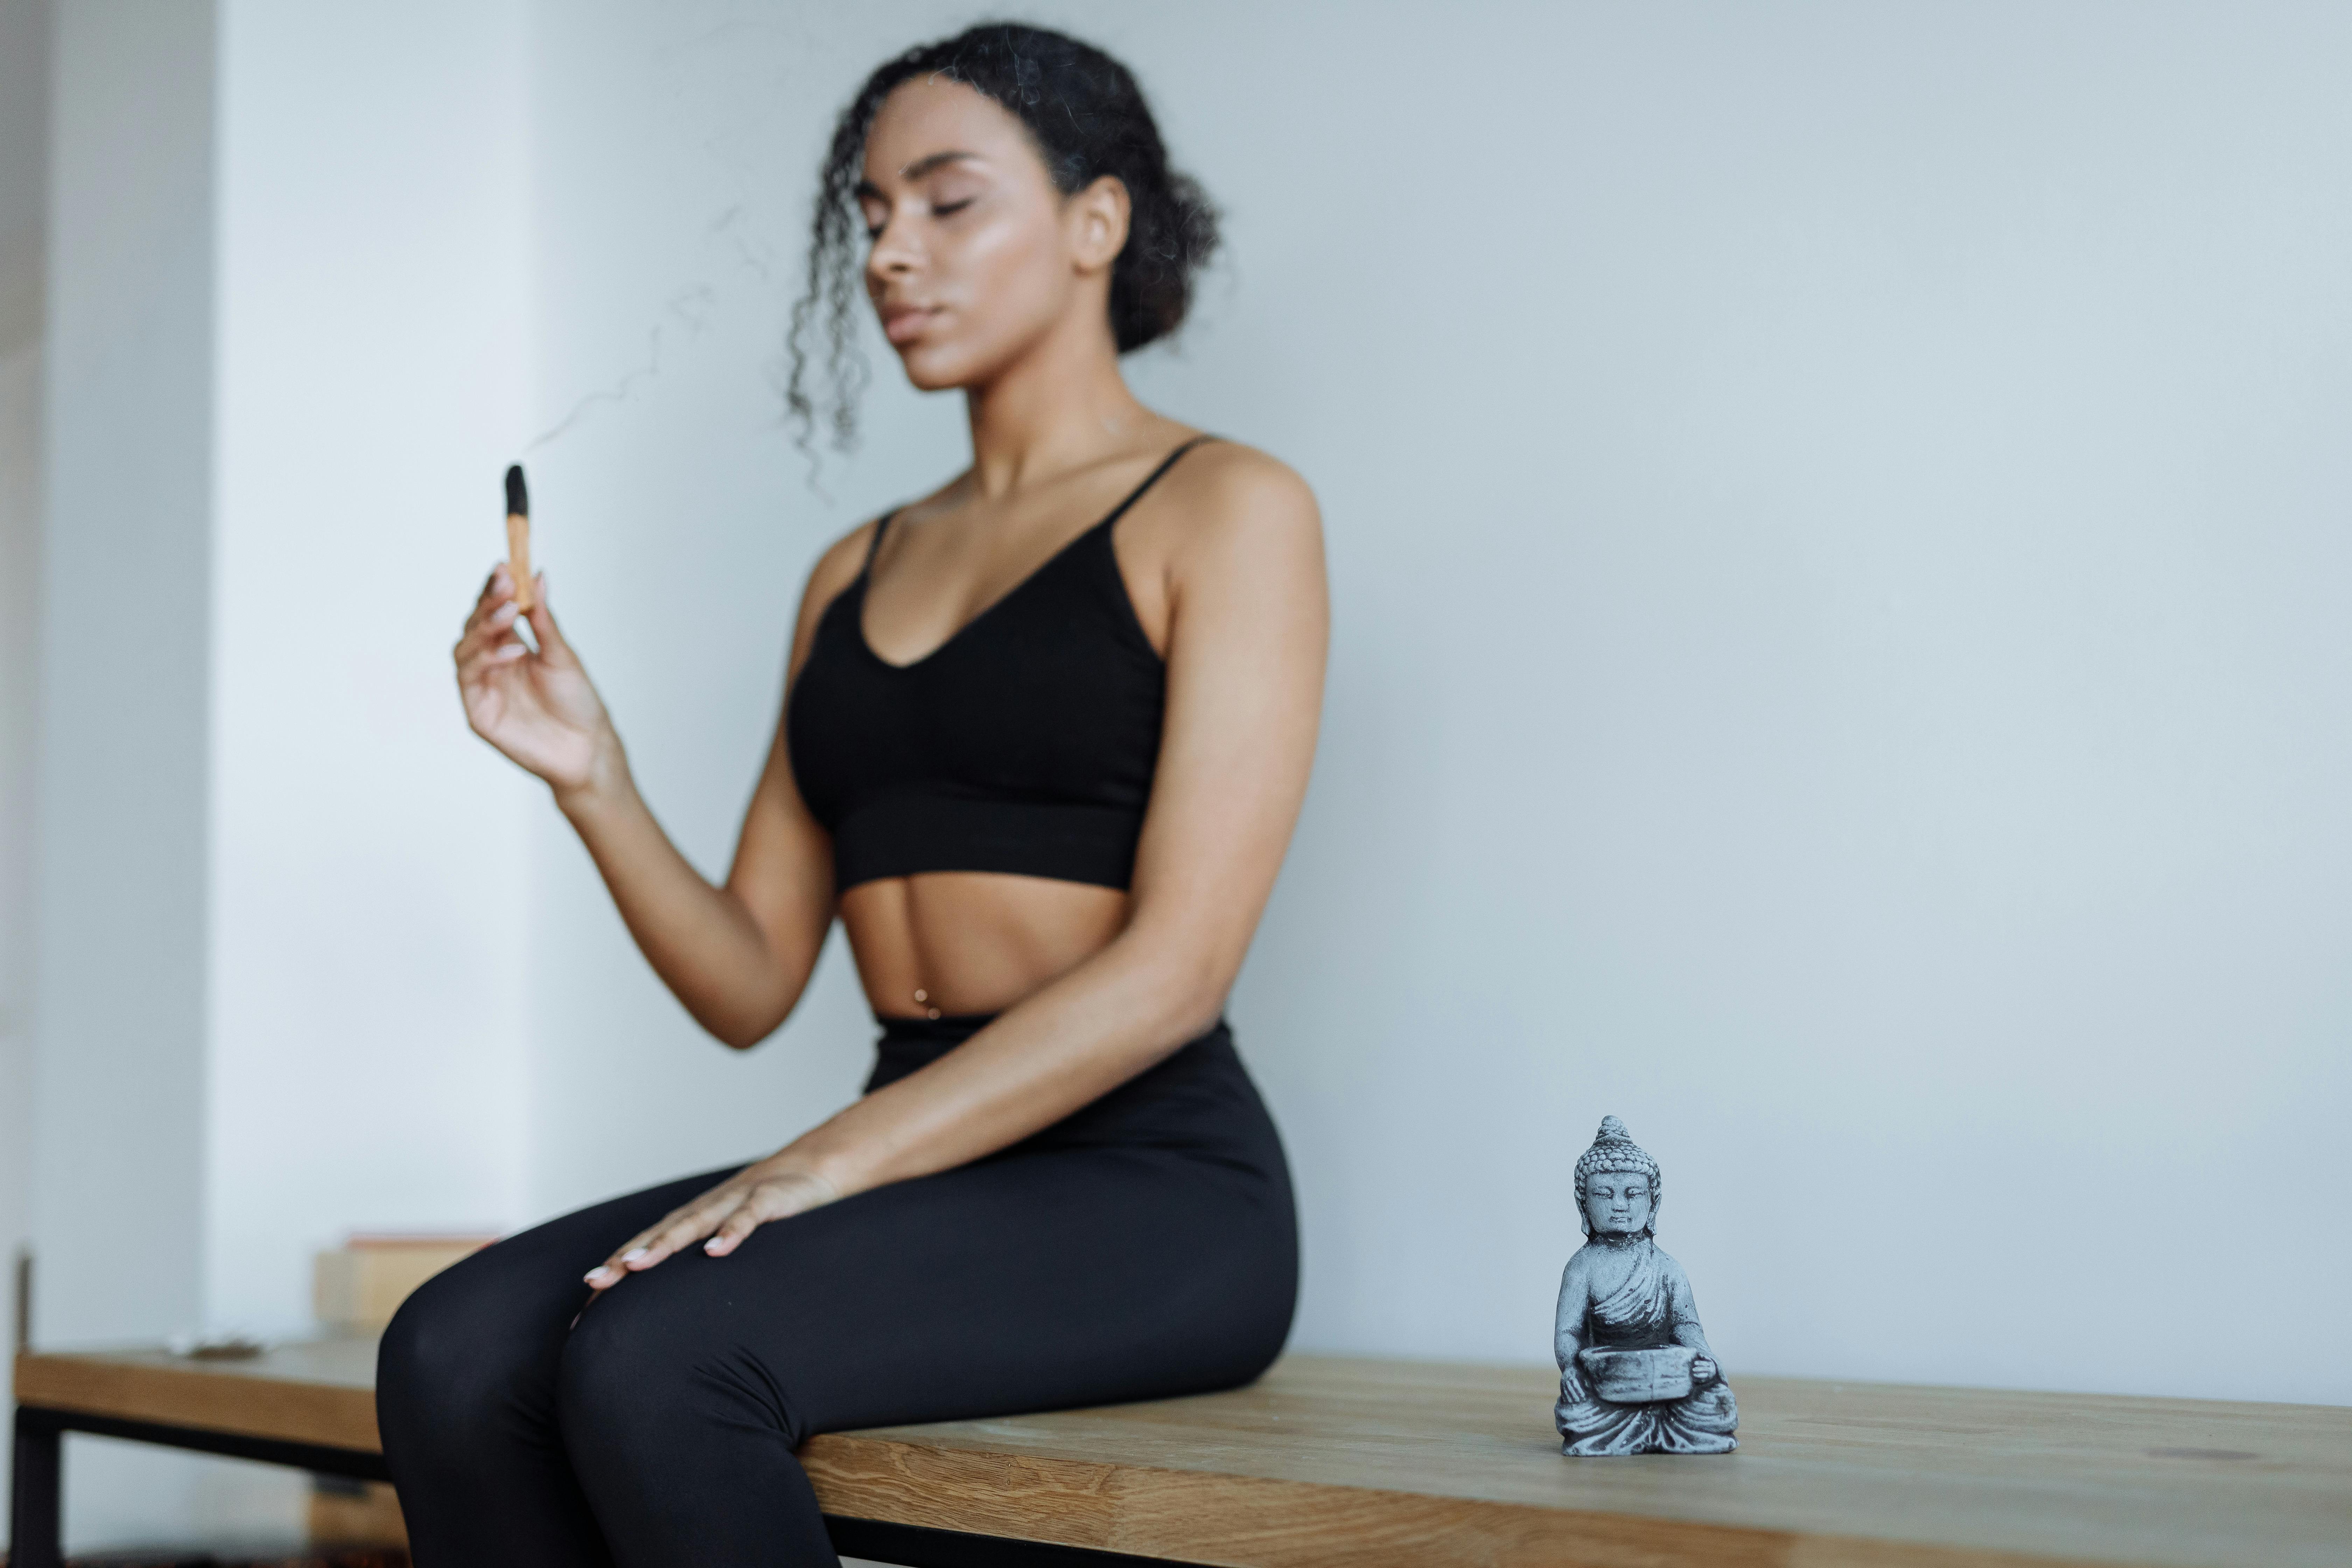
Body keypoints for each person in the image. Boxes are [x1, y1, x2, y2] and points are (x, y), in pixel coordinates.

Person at [378, 23, 1326, 1567]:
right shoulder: (856, 568)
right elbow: (750, 978)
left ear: (1096, 223)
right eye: (872, 212)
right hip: (912, 1153)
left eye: (947, 202)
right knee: (449, 1348)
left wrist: (825, 1158)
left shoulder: (1226, 509)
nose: (893, 250)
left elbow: (1176, 972)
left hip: (1151, 1182)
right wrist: (590, 775)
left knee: (658, 1352)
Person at [1552, 1118, 1740, 1456]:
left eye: (1632, 1193)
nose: (1620, 1205)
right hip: (1608, 1384)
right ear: (1584, 1205)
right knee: (1577, 1410)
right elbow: (1568, 1334)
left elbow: (1687, 1327)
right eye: (1604, 1194)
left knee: (1717, 1402)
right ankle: (1640, 1432)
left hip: (1667, 1383)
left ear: (1652, 1204)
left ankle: (1654, 1431)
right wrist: (1572, 1371)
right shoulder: (1581, 1268)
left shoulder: (1667, 1268)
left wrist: (1706, 1361)